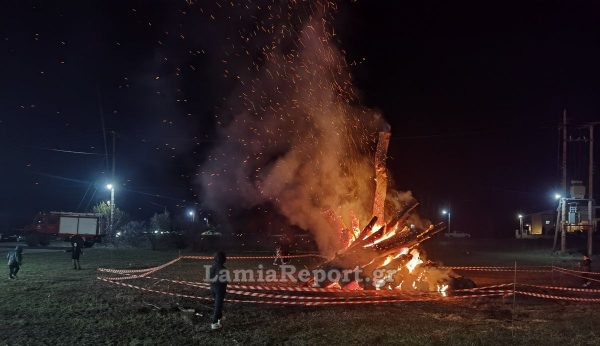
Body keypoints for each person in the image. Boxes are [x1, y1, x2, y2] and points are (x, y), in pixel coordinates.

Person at [209, 251, 228, 330]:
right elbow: (224, 281)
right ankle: (214, 323)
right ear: (223, 259)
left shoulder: (213, 266)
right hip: (220, 289)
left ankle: (219, 318)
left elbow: (210, 277)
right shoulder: (223, 269)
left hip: (212, 288)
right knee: (218, 305)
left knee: (217, 304)